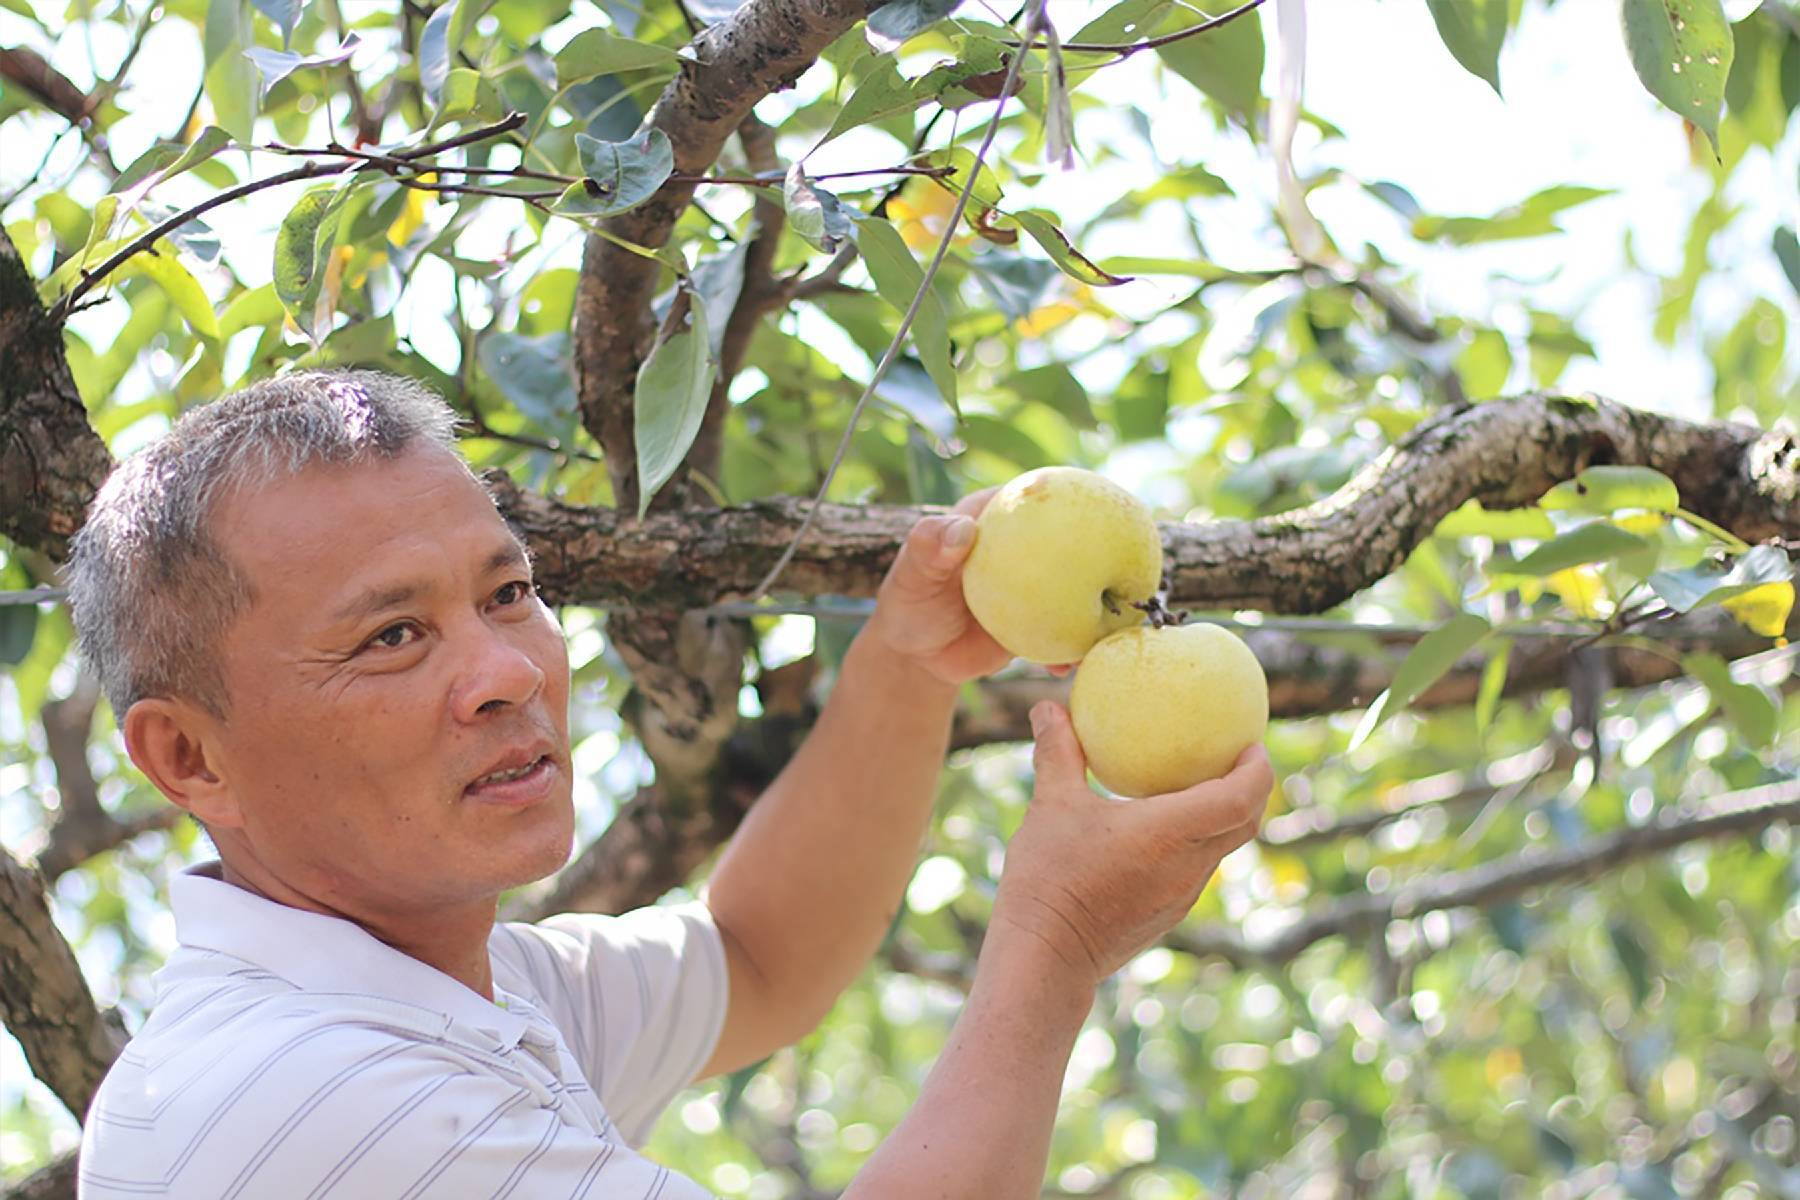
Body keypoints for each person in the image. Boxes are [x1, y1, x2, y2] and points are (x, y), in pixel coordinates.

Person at [67, 369, 1272, 1199]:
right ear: (189, 758)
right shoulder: (317, 1093)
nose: (506, 673)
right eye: (391, 636)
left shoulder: (446, 994)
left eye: (507, 594)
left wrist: (907, 665)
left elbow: (756, 958)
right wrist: (1054, 946)